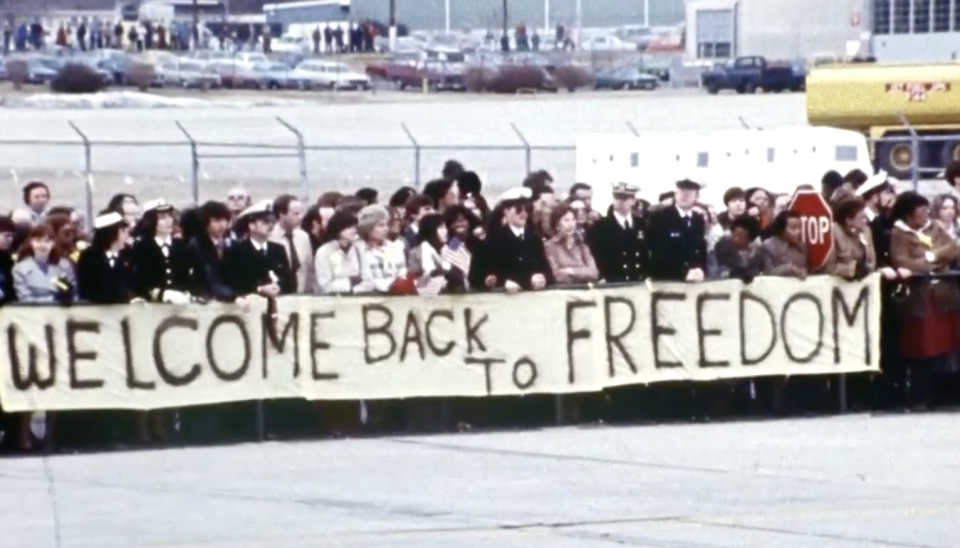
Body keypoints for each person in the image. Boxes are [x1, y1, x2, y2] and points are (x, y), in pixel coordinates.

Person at [889, 191, 960, 407]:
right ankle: (921, 396)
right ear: (910, 215)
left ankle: (946, 395)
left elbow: (953, 248)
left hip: (944, 296)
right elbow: (903, 261)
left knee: (947, 347)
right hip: (920, 298)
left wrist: (929, 257)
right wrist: (932, 264)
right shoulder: (899, 234)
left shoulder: (935, 227)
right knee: (923, 348)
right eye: (921, 212)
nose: (925, 215)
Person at [478, 187, 551, 293]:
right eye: (518, 209)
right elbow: (480, 276)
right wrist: (502, 283)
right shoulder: (493, 240)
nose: (524, 214)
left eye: (527, 209)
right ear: (506, 211)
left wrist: (543, 278)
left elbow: (548, 271)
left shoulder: (534, 239)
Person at [223, 200, 294, 297]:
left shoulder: (278, 249)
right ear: (251, 226)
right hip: (248, 306)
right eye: (265, 222)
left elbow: (289, 281)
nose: (271, 225)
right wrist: (259, 289)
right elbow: (233, 281)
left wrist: (278, 287)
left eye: (272, 221)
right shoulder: (236, 250)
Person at [130, 199, 191, 304]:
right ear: (151, 221)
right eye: (162, 218)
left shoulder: (180, 246)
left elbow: (185, 276)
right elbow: (140, 282)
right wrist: (163, 294)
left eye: (169, 216)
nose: (169, 221)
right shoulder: (142, 248)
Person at [646, 179, 707, 282]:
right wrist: (684, 272)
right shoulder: (660, 218)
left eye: (690, 192)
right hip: (667, 280)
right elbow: (659, 253)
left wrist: (699, 269)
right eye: (682, 191)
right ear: (675, 194)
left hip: (693, 281)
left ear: (697, 197)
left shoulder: (698, 219)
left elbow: (699, 250)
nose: (685, 196)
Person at [588, 182, 644, 283]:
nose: (621, 201)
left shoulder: (641, 224)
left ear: (633, 201)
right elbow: (596, 255)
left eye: (626, 198)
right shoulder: (600, 227)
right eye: (617, 198)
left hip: (637, 280)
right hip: (613, 281)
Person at [76, 210, 136, 304]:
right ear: (111, 233)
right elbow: (86, 289)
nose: (127, 235)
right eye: (123, 231)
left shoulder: (128, 255)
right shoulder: (89, 257)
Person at [13, 223, 76, 304]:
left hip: (62, 313)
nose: (42, 245)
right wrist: (54, 299)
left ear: (53, 243)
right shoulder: (20, 268)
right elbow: (25, 299)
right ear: (31, 242)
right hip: (33, 314)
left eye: (47, 241)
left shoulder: (64, 265)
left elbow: (74, 294)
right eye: (38, 241)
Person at [187, 200, 236, 302]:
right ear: (206, 223)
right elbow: (208, 279)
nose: (222, 225)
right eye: (216, 221)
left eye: (224, 220)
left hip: (230, 296)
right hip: (207, 299)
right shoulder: (197, 245)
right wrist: (233, 296)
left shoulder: (232, 244)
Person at [354, 204, 408, 294]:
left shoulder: (396, 246)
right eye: (381, 225)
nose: (386, 229)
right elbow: (361, 281)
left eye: (386, 225)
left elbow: (402, 272)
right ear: (368, 228)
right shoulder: (357, 249)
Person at [408, 213, 466, 294]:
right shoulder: (421, 250)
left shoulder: (445, 248)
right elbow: (428, 273)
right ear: (430, 230)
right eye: (441, 228)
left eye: (445, 227)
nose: (445, 231)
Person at [822, 198, 876, 280]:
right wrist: (852, 269)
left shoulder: (866, 231)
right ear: (849, 220)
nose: (866, 221)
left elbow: (872, 260)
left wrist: (867, 269)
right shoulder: (833, 233)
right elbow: (829, 268)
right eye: (862, 218)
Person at [544, 203, 598, 285]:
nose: (571, 224)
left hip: (583, 290)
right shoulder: (550, 246)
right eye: (566, 220)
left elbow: (594, 273)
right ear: (557, 225)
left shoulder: (582, 246)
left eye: (573, 220)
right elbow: (556, 275)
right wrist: (583, 272)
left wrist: (571, 271)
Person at [270, 194, 313, 293]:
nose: (300, 217)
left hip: (302, 296)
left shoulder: (303, 237)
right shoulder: (270, 238)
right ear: (282, 214)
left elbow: (309, 269)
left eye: (301, 213)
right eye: (296, 214)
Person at [314, 211, 360, 294]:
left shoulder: (359, 248)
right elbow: (325, 285)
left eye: (355, 227)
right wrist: (350, 281)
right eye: (349, 227)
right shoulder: (324, 252)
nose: (354, 230)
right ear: (338, 229)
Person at [710, 216, 764, 282]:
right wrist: (736, 274)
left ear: (750, 240)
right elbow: (716, 273)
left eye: (741, 236)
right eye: (734, 235)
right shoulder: (721, 248)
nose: (736, 239)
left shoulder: (757, 253)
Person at [761, 211, 808, 278]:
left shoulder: (802, 247)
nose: (798, 231)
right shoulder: (768, 246)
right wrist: (788, 269)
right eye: (793, 228)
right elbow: (767, 273)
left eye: (799, 227)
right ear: (781, 229)